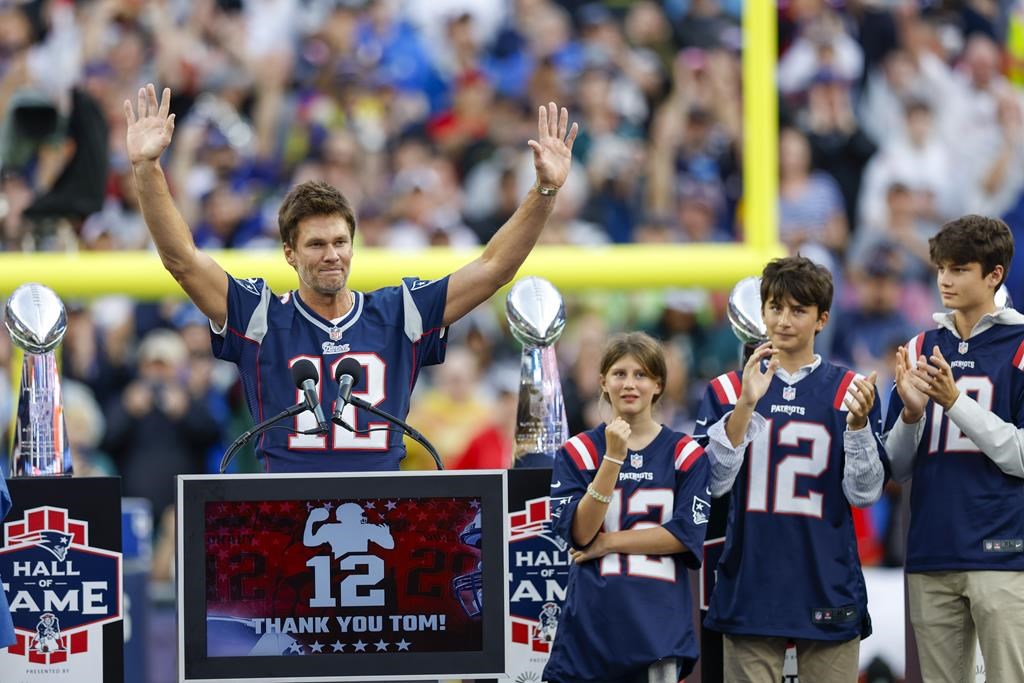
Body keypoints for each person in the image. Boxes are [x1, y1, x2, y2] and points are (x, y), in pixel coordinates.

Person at [124, 84, 577, 472]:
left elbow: (493, 267)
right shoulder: (260, 315)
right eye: (316, 245)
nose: (331, 255)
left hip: (381, 517)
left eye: (340, 242)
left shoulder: (399, 311)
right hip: (283, 521)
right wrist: (147, 168)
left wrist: (545, 191)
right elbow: (182, 260)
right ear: (289, 254)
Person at [695, 256, 888, 682]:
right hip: (751, 582)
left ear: (821, 320)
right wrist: (745, 406)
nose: (783, 320)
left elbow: (865, 493)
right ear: (761, 311)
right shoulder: (727, 389)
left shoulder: (849, 390)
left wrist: (856, 429)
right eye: (775, 307)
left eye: (798, 310)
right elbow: (712, 485)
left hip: (826, 579)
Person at [884, 215, 1024, 682]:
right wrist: (910, 415)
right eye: (941, 268)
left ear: (994, 274)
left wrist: (955, 402)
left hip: (1003, 551)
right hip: (932, 551)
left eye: (960, 268)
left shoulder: (1021, 345)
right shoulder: (922, 344)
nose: (945, 279)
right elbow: (897, 467)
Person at [543, 332, 710, 683]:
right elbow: (581, 534)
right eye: (620, 374)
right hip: (592, 623)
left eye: (641, 375)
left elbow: (686, 533)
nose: (629, 384)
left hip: (657, 626)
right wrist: (612, 459)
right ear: (603, 381)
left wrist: (610, 542)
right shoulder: (578, 451)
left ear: (658, 384)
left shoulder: (685, 453)